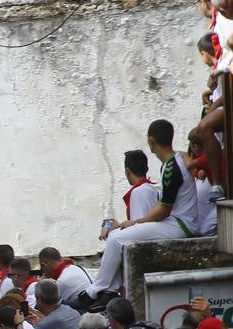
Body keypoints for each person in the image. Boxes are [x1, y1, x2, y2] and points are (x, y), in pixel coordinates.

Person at [85, 120, 201, 298]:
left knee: (116, 239)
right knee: (120, 236)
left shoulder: (172, 168)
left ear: (152, 141)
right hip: (178, 222)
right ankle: (106, 289)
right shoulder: (175, 160)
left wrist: (135, 222)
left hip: (180, 225)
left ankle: (95, 291)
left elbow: (164, 210)